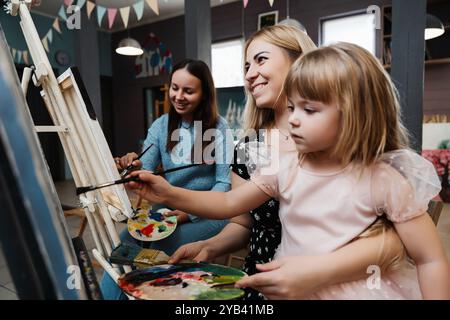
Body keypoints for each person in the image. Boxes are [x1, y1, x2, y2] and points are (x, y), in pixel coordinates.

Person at [127, 42, 450, 299]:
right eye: (292, 107)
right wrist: (169, 193)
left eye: (308, 109)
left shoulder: (383, 180)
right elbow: (228, 204)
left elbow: (429, 258)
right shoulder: (285, 166)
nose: (293, 118)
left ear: (356, 114)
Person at [168, 25, 404, 300]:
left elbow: (398, 235)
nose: (249, 74)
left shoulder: (344, 139)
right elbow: (241, 222)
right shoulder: (248, 147)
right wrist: (211, 246)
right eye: (246, 66)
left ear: (298, 60)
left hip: (344, 284)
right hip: (265, 282)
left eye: (261, 59)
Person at [100, 59, 232, 299]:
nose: (179, 96)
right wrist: (134, 165)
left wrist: (187, 214)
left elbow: (224, 184)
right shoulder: (162, 125)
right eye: (174, 88)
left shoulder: (219, 128)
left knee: (162, 248)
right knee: (124, 244)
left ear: (204, 94)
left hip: (207, 213)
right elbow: (146, 168)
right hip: (165, 212)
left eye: (188, 91)